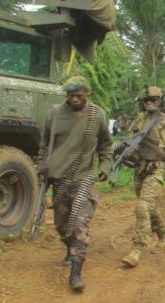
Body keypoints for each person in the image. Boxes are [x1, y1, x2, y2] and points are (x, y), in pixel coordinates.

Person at [37, 76, 112, 291]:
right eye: (71, 96)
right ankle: (70, 250)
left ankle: (76, 273)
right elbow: (44, 144)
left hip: (83, 176)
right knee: (61, 226)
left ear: (86, 94)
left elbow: (106, 145)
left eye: (79, 95)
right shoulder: (54, 114)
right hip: (58, 177)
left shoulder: (97, 115)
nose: (75, 99)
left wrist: (105, 167)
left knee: (79, 224)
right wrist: (42, 165)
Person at [121, 86, 165, 268]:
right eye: (146, 100)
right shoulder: (140, 119)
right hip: (139, 168)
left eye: (154, 99)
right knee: (149, 207)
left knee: (142, 206)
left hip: (156, 169)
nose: (150, 103)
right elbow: (130, 140)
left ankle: (137, 248)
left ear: (161, 101)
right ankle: (163, 234)